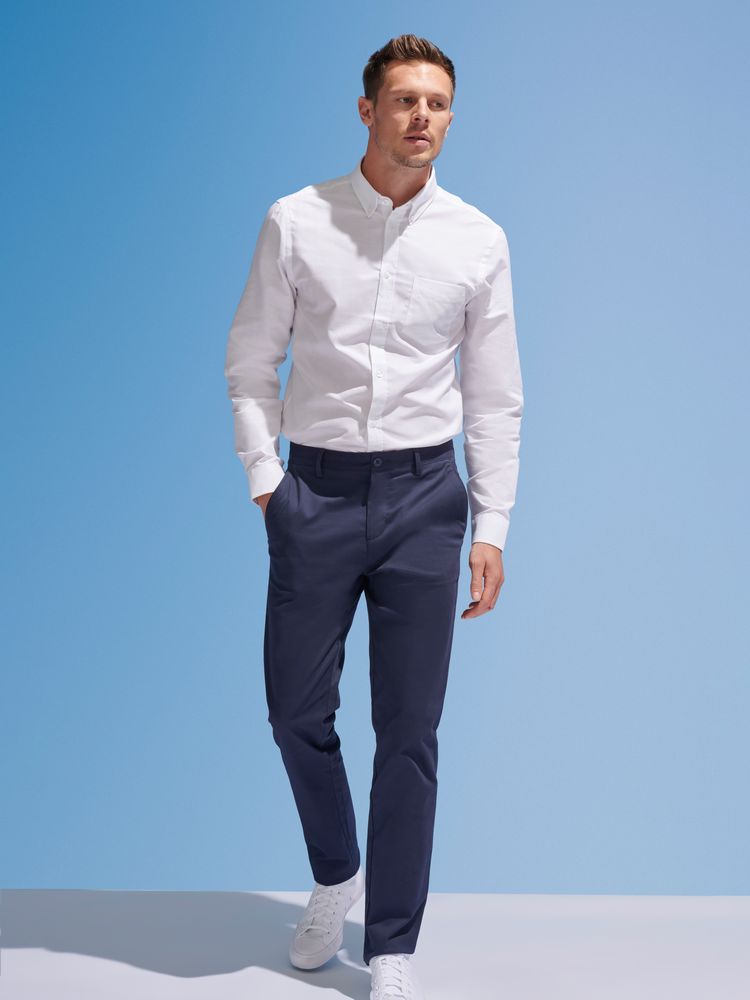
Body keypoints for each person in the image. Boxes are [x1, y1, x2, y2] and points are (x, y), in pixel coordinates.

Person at [224, 33, 523, 1000]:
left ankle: (392, 942)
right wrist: (268, 481)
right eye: (403, 99)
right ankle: (335, 873)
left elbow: (495, 396)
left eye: (436, 102)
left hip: (426, 500)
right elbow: (250, 360)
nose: (421, 116)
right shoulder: (297, 221)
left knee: (410, 729)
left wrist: (492, 525)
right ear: (367, 110)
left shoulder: (478, 240)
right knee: (294, 711)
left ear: (451, 117)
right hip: (313, 492)